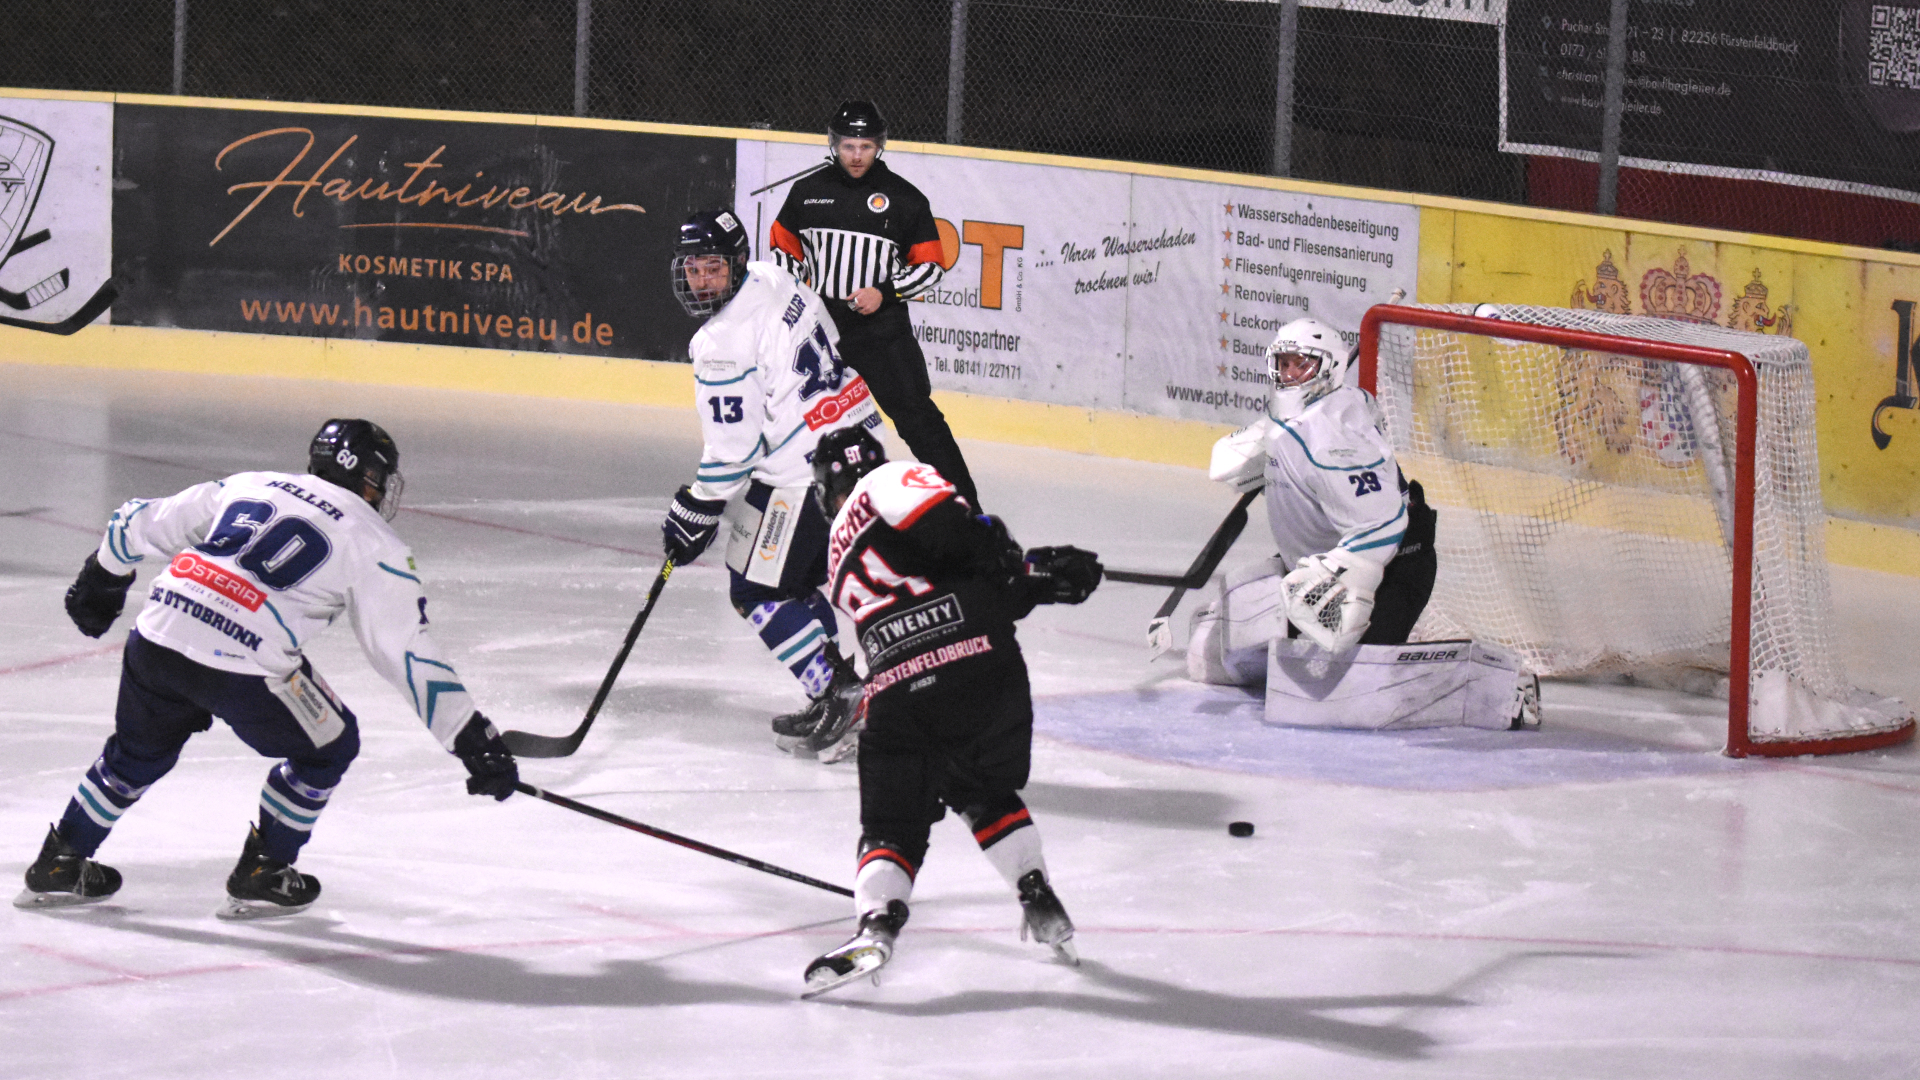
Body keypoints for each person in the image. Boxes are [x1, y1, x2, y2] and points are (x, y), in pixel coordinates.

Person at [16, 419, 519, 918]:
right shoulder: (375, 543)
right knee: (329, 746)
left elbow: (135, 521)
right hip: (243, 663)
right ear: (369, 478)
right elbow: (406, 652)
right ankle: (265, 871)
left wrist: (101, 577)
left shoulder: (250, 484)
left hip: (160, 633)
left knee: (135, 754)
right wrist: (470, 737)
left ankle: (60, 860)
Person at [798, 425, 1102, 997]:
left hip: (897, 688)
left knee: (892, 827)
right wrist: (1032, 572)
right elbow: (964, 558)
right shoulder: (891, 479)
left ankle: (877, 924)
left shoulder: (838, 551)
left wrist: (1025, 574)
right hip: (984, 668)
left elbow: (925, 592)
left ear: (829, 489)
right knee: (980, 787)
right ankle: (1034, 887)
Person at [1190, 317, 1539, 731]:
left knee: (1331, 700)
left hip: (1391, 567)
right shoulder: (1301, 418)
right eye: (1283, 364)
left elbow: (1385, 523)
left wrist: (1340, 575)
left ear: (1329, 368)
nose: (1287, 375)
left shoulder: (1336, 440)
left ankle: (1494, 684)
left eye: (1299, 365)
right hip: (1318, 560)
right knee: (1208, 658)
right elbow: (1233, 462)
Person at [663, 207, 884, 762]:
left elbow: (733, 450)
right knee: (801, 575)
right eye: (693, 268)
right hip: (857, 443)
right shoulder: (774, 277)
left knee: (755, 588)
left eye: (712, 267)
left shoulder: (719, 342)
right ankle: (842, 682)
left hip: (804, 473)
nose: (701, 280)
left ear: (736, 263)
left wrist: (696, 505)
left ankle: (836, 693)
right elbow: (830, 336)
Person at [768, 100, 982, 509]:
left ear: (879, 146)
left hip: (881, 329)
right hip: (822, 329)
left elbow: (931, 265)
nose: (856, 155)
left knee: (919, 420)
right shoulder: (807, 192)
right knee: (804, 419)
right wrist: (801, 290)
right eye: (848, 146)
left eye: (865, 146)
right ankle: (809, 506)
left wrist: (884, 291)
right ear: (834, 144)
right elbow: (782, 248)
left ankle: (967, 510)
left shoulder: (905, 199)